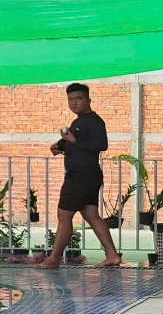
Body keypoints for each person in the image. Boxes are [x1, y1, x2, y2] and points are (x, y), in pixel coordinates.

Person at [39, 83, 122, 269]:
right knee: (91, 215)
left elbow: (101, 145)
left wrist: (73, 140)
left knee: (64, 215)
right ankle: (112, 255)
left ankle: (54, 258)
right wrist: (60, 146)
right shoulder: (78, 122)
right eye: (71, 99)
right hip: (85, 175)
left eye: (79, 99)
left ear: (88, 100)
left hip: (82, 176)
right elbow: (75, 143)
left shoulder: (94, 121)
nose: (74, 103)